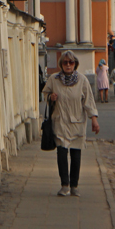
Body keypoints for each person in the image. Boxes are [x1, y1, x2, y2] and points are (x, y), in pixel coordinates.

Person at [42, 50, 99, 197]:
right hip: (60, 122)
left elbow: (89, 101)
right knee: (61, 154)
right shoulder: (54, 79)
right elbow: (45, 93)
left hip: (77, 123)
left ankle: (74, 185)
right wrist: (51, 97)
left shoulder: (82, 80)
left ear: (75, 64)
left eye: (71, 62)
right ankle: (64, 185)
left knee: (75, 154)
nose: (68, 65)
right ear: (61, 64)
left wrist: (94, 118)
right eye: (65, 62)